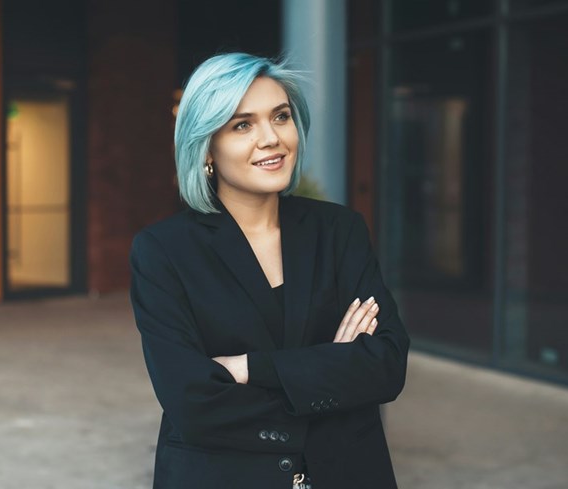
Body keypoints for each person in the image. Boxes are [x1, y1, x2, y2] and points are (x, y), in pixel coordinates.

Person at [129, 53, 409, 489]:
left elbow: (386, 365)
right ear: (205, 146)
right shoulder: (164, 251)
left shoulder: (339, 230)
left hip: (347, 472)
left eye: (281, 117)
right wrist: (331, 369)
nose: (272, 138)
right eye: (242, 125)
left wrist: (247, 369)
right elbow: (193, 401)